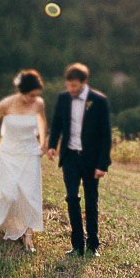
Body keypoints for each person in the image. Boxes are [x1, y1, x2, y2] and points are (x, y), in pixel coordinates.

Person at [47, 62, 112, 257]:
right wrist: (52, 145)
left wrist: (102, 164)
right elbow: (57, 123)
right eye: (68, 85)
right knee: (71, 199)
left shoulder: (99, 101)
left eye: (74, 86)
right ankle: (77, 245)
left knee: (91, 201)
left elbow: (105, 135)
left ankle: (93, 245)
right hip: (70, 158)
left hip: (91, 160)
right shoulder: (63, 98)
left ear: (84, 82)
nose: (71, 89)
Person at [0, 69, 48, 252]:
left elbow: (42, 122)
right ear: (22, 91)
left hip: (29, 151)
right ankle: (9, 221)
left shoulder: (38, 104)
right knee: (10, 193)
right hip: (9, 152)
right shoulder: (7, 103)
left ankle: (28, 234)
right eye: (31, 95)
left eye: (37, 95)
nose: (34, 99)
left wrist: (43, 143)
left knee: (30, 193)